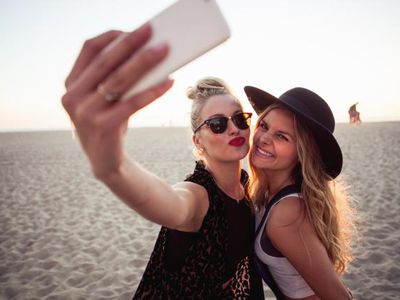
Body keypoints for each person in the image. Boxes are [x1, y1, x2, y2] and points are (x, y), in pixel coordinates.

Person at [61, 25, 264, 299]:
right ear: (198, 141)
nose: (233, 129)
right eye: (217, 124)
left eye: (240, 119)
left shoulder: (245, 184)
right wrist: (112, 166)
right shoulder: (198, 195)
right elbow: (170, 202)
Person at [244, 86, 355, 299]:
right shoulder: (269, 194)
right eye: (264, 126)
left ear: (302, 152)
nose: (264, 138)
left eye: (282, 136)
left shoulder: (287, 212)